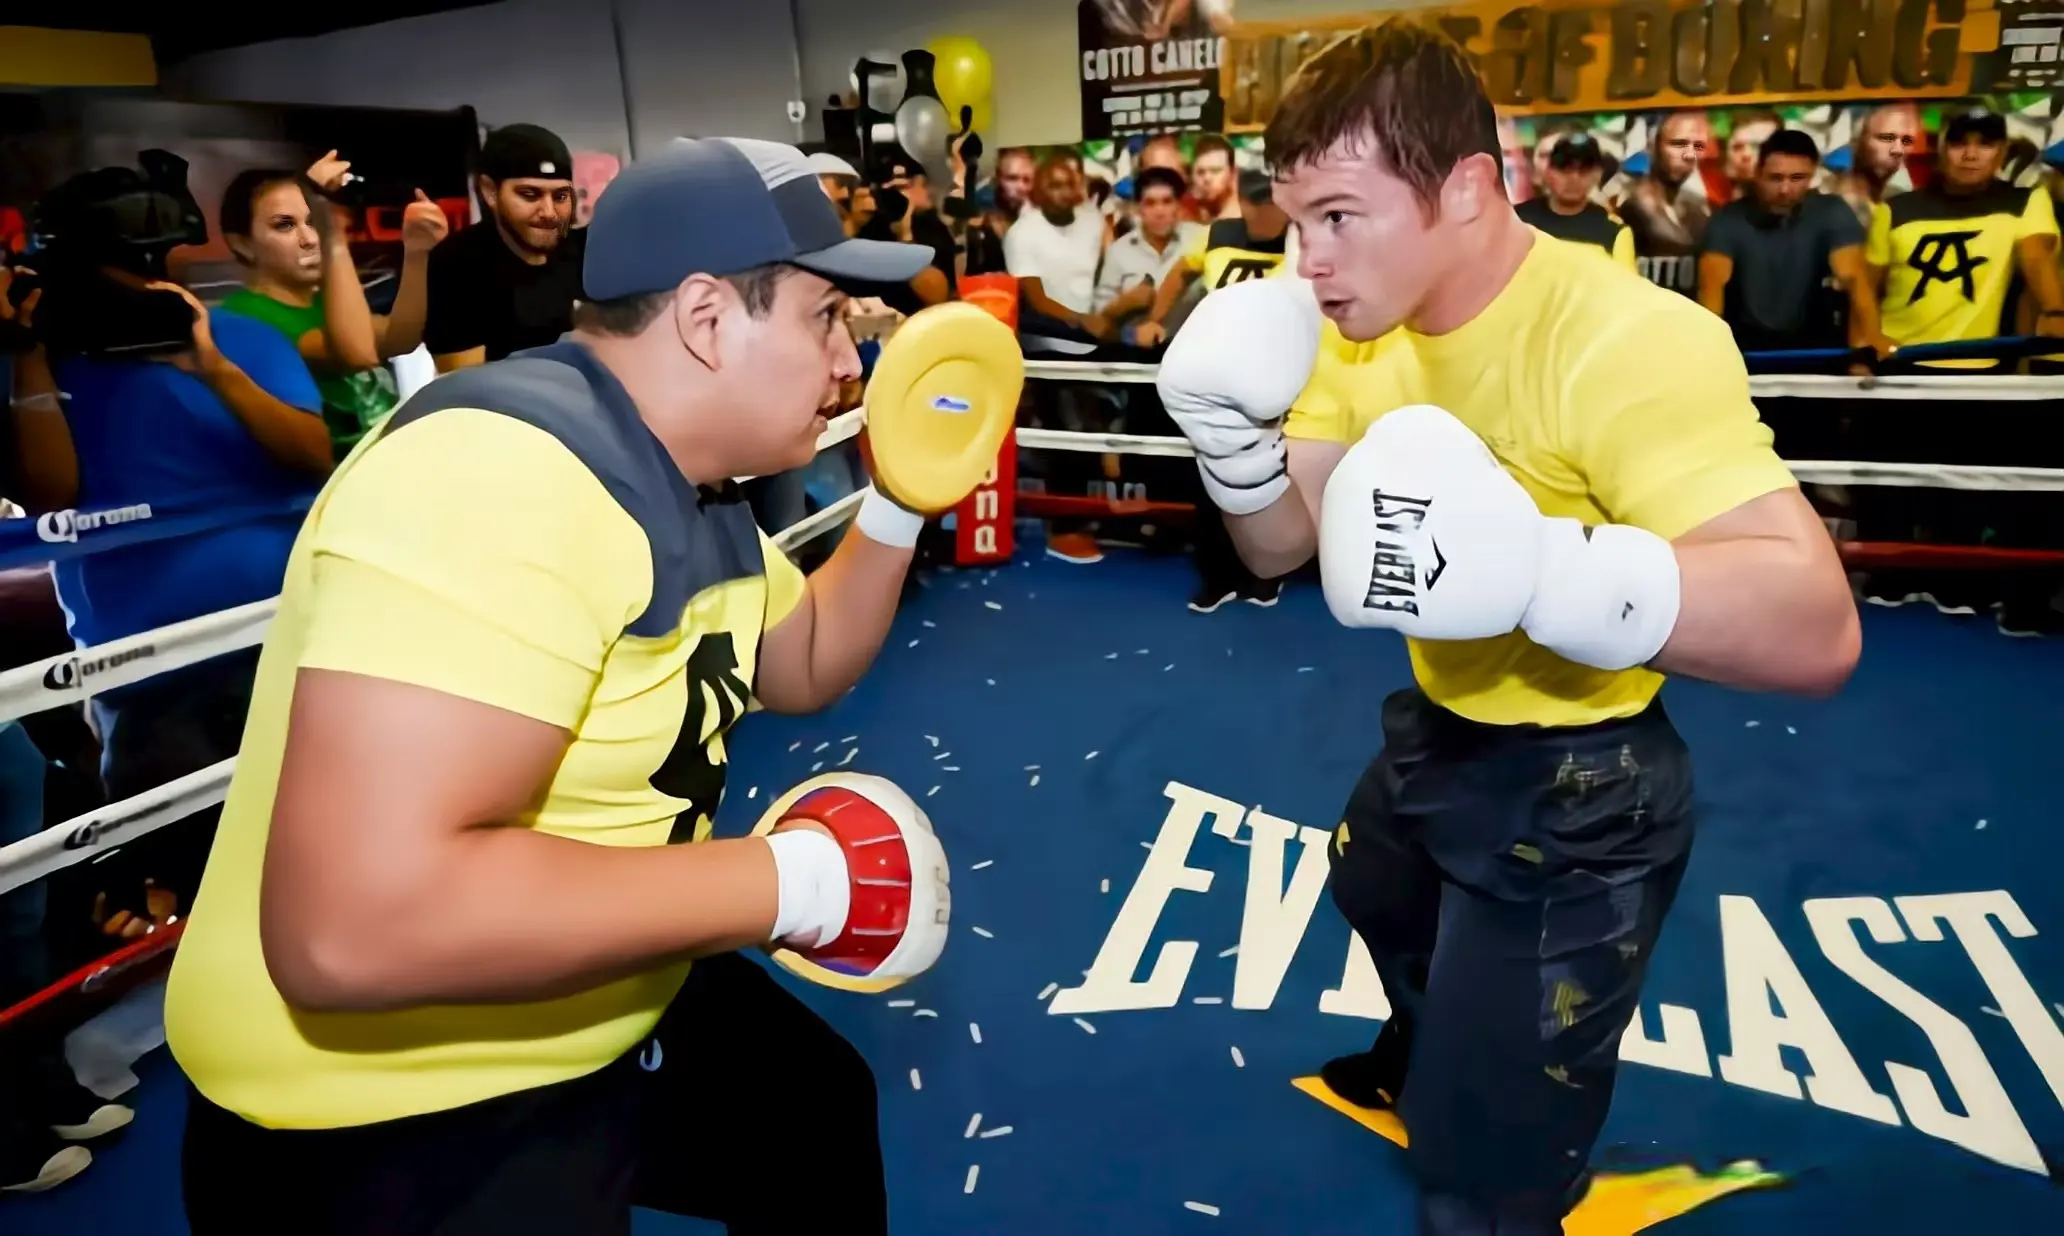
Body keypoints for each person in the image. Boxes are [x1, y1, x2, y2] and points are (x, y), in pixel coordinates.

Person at [164, 137, 948, 1234]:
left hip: (602, 989)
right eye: (824, 319)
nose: (848, 363)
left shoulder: (689, 479)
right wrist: (794, 884)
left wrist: (903, 500)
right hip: (386, 1104)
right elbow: (355, 928)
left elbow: (803, 657)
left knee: (807, 1116)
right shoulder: (495, 475)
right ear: (707, 318)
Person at [1156, 23, 1859, 1233]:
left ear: (1468, 187)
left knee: (1482, 1178)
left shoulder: (1621, 339)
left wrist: (1544, 572)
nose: (1306, 260)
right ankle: (1447, 1046)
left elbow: (1816, 629)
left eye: (1339, 216)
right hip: (1440, 724)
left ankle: (1501, 1136)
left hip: (1590, 782)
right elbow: (1283, 546)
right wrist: (1230, 446)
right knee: (1372, 881)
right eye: (1296, 219)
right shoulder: (1352, 324)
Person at [217, 151, 448, 459]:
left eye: (314, 222)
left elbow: (400, 338)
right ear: (241, 243)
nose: (310, 239)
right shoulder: (245, 316)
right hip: (330, 479)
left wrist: (418, 254)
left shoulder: (324, 301)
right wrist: (333, 238)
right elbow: (358, 354)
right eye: (284, 225)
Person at [422, 123, 583, 371]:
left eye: (560, 196)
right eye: (529, 194)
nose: (549, 212)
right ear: (490, 191)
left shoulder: (584, 250)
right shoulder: (458, 264)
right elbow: (464, 381)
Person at [1698, 129, 1874, 355]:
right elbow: (1711, 303)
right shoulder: (1726, 222)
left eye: (1797, 178)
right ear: (1757, 173)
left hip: (1818, 348)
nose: (1785, 190)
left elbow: (1855, 281)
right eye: (1775, 178)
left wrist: (1863, 354)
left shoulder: (1832, 212)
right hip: (1746, 351)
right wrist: (1713, 359)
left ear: (1812, 176)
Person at [1004, 153, 1113, 353]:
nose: (1065, 192)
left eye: (1070, 184)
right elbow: (1037, 300)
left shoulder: (1093, 222)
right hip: (1046, 343)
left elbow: (1106, 277)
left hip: (1096, 340)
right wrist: (1081, 320)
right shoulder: (1021, 233)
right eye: (1055, 186)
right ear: (1038, 192)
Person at [1092, 166, 1201, 344]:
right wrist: (1125, 303)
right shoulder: (1119, 252)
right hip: (1137, 351)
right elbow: (1098, 318)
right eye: (1150, 203)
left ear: (1178, 206)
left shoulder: (1198, 239)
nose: (1159, 211)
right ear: (1138, 209)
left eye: (1167, 202)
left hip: (1193, 346)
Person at [1618, 111, 1711, 296]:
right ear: (1653, 146)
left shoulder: (1696, 208)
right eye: (1678, 144)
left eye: (1698, 146)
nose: (1689, 155)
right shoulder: (1628, 202)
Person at [1513, 134, 1635, 269]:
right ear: (1549, 172)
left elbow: (1626, 281)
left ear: (1597, 175)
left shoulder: (1614, 230)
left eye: (1584, 170)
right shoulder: (1516, 219)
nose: (1574, 178)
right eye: (1565, 169)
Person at [1832, 102, 1919, 229]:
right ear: (1857, 139)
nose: (1898, 150)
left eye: (1906, 141)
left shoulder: (1903, 201)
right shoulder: (1824, 198)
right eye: (1887, 138)